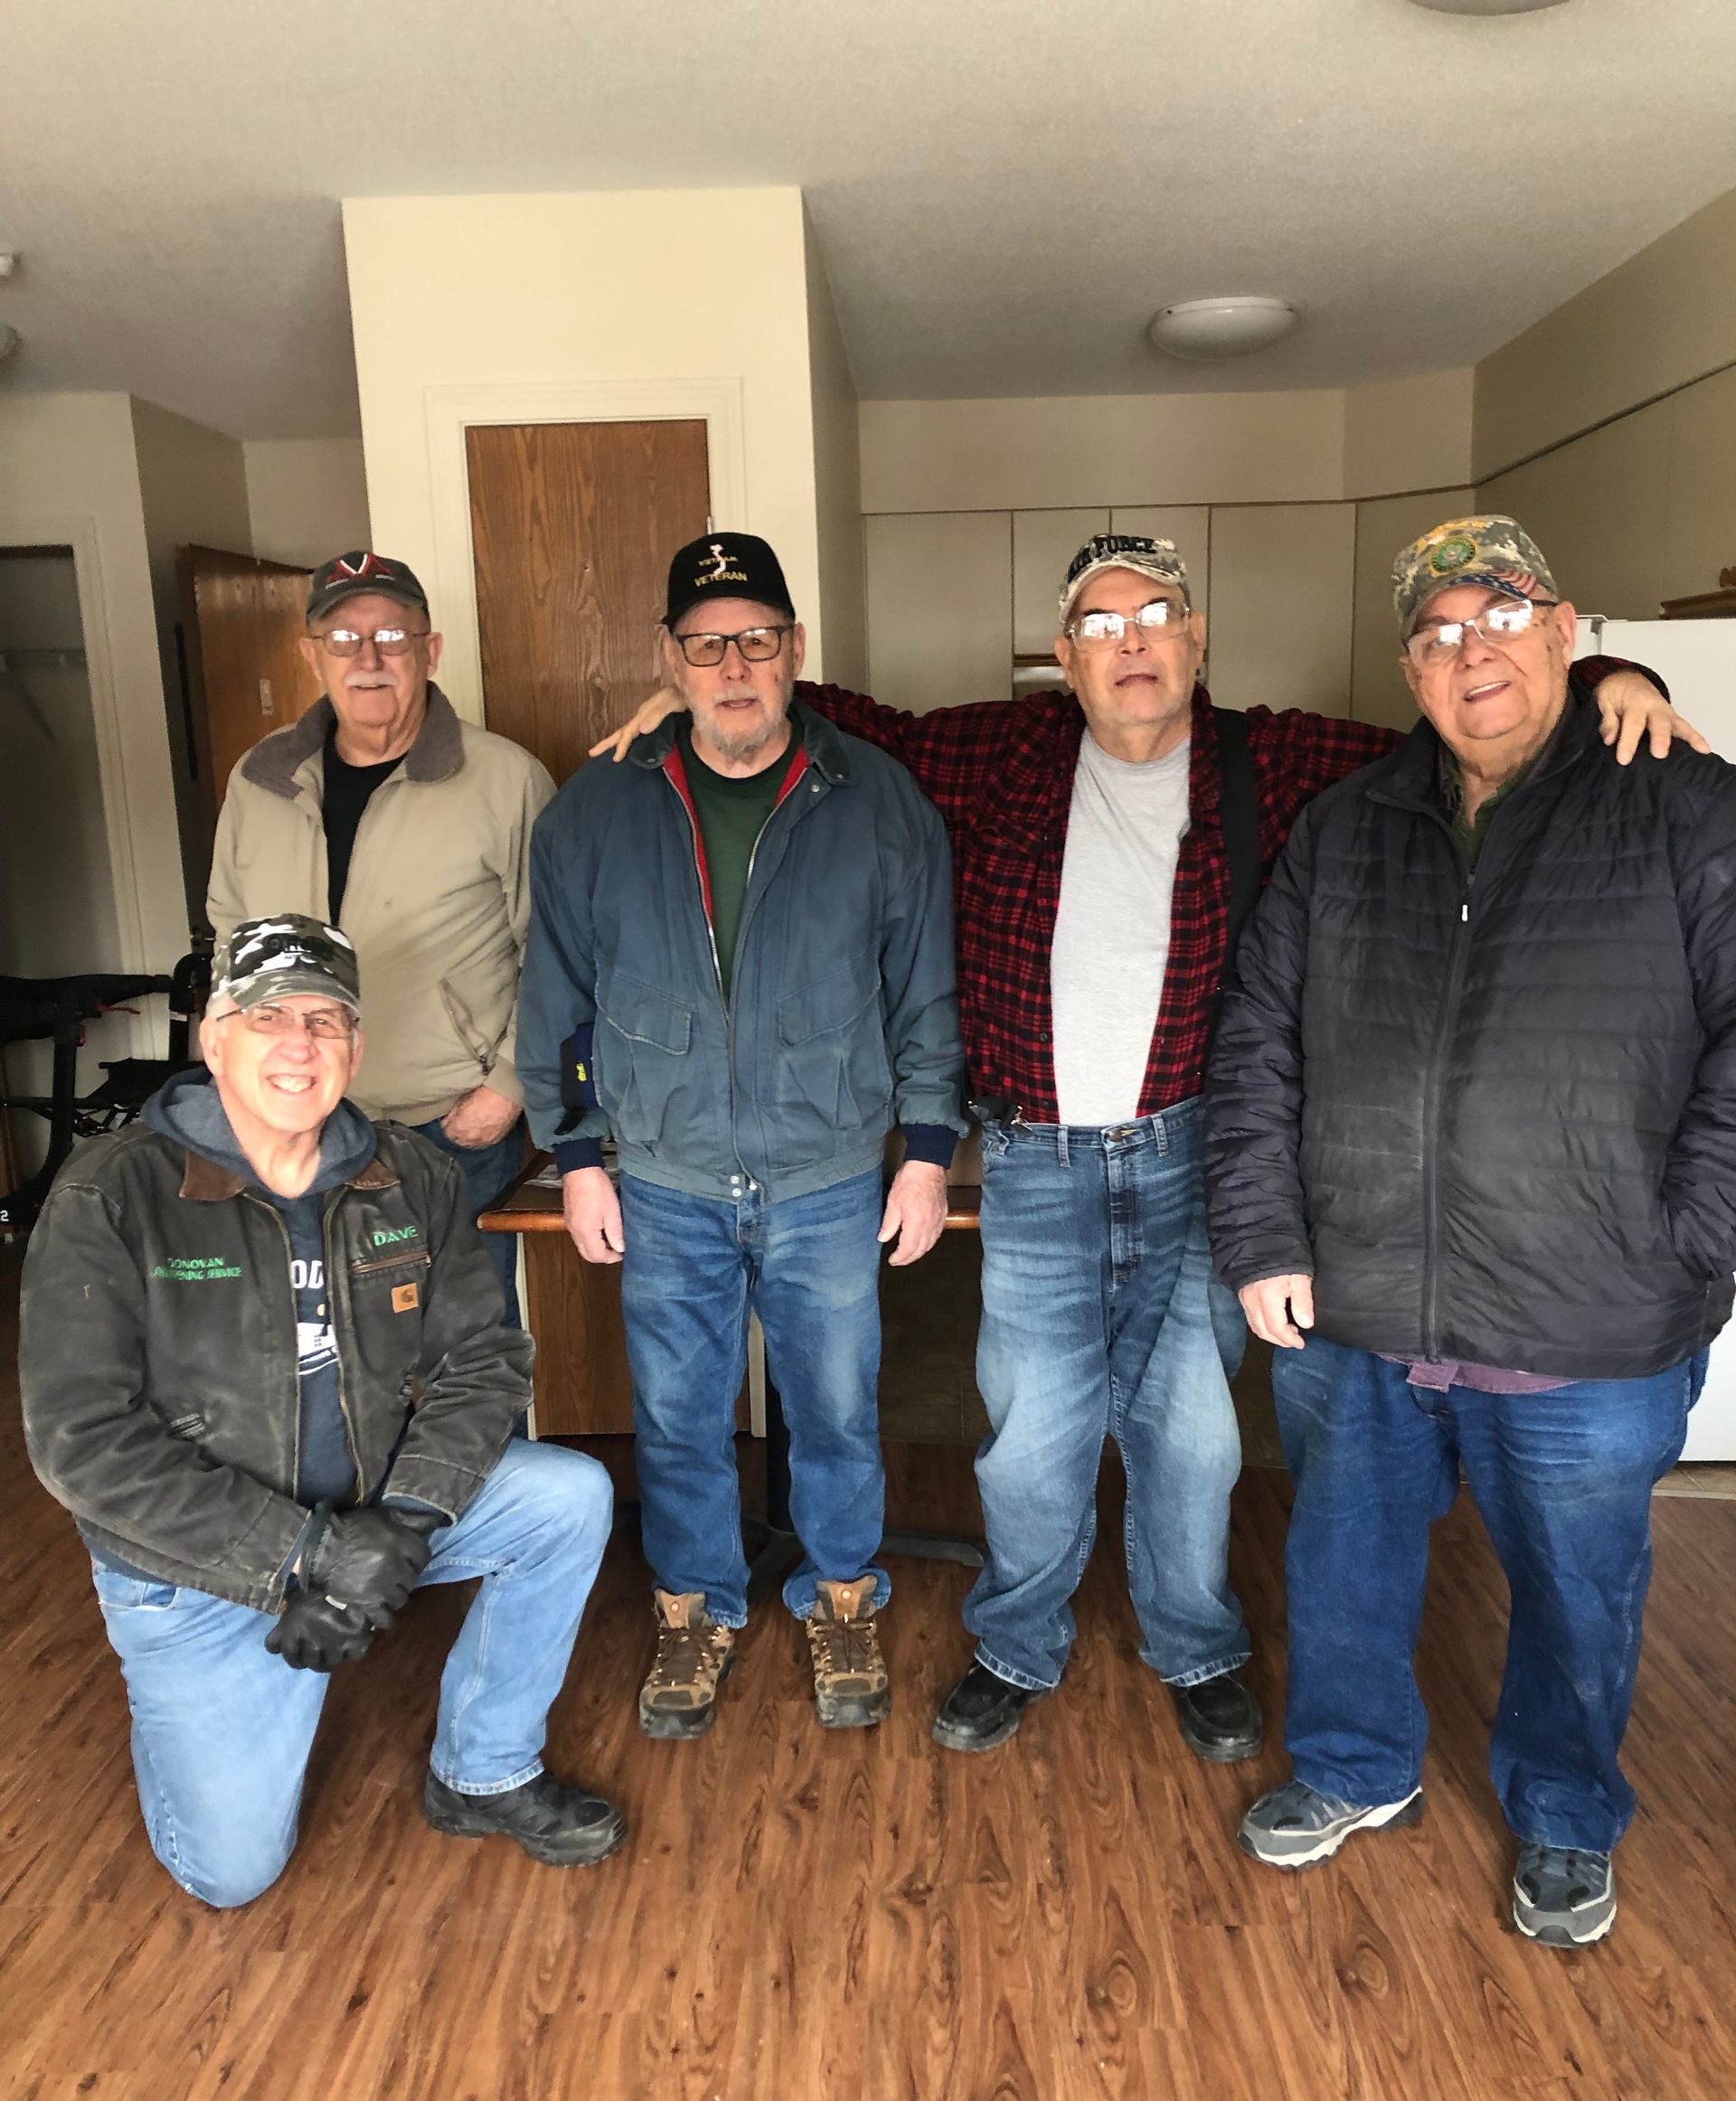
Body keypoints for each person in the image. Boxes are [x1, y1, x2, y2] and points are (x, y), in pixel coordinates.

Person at [597, 532, 1689, 1761]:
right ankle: (1019, 1638)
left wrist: (1606, 681)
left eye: (1157, 615)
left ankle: (1195, 1640)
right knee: (1033, 1437)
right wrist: (693, 692)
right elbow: (839, 713)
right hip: (1035, 1163)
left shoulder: (1270, 757)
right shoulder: (1000, 754)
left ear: (1197, 637)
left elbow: (1464, 728)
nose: (1133, 644)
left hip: (1190, 1156)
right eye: (1103, 625)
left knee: (1192, 1434)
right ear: (1065, 658)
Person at [1205, 515, 1731, 1948]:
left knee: (1580, 1588)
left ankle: (1565, 1813)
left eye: (1500, 616)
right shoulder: (1346, 824)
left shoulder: (1686, 806)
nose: (1469, 651)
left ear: (1566, 629)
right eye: (1437, 634)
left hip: (1591, 1317)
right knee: (1344, 1557)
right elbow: (1257, 1039)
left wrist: (1687, 1233)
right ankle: (1357, 1767)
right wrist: (1263, 1235)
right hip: (1364, 1299)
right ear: (1408, 670)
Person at [20, 915, 624, 1908]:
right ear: (214, 1040)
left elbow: (485, 1356)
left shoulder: (406, 1172)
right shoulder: (113, 1193)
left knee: (565, 1498)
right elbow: (79, 1439)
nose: (299, 1043)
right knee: (231, 1875)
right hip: (202, 1566)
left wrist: (403, 1523)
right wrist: (303, 1555)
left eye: (326, 1019)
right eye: (267, 1017)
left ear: (357, 1046)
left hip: (370, 1501)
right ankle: (191, 1710)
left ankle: (485, 1767)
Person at [518, 532, 967, 1739]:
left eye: (757, 639)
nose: (734, 666)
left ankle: (841, 1593)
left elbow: (924, 989)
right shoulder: (595, 812)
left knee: (836, 1408)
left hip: (826, 1173)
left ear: (795, 652)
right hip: (661, 1178)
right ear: (672, 660)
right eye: (707, 644)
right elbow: (555, 999)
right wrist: (574, 1155)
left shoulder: (876, 800)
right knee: (675, 1414)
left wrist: (926, 1146)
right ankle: (695, 1606)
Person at [208, 551, 552, 1322]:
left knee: (462, 1345)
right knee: (315, 1347)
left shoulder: (506, 780)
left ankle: (478, 1454)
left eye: (392, 635)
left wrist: (508, 1089)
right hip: (294, 1120)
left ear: (429, 652)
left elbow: (559, 954)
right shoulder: (258, 779)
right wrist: (241, 1080)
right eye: (342, 637)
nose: (367, 659)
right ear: (311, 656)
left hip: (446, 1125)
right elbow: (232, 938)